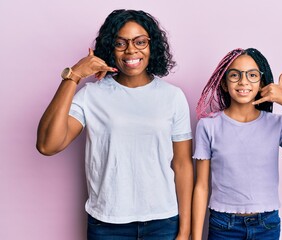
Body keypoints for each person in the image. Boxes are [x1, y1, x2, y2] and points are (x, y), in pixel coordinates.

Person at [36, 9, 193, 240]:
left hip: (163, 222)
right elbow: (47, 145)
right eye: (121, 43)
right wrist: (74, 75)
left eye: (140, 42)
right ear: (111, 48)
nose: (131, 50)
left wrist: (185, 228)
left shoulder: (173, 96)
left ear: (152, 46)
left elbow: (182, 166)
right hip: (107, 224)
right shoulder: (92, 95)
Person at [191, 48, 282, 240]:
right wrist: (195, 237)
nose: (243, 81)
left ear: (262, 83)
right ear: (223, 83)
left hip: (267, 225)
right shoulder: (209, 126)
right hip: (224, 226)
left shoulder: (276, 124)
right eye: (235, 75)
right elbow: (201, 186)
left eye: (252, 75)